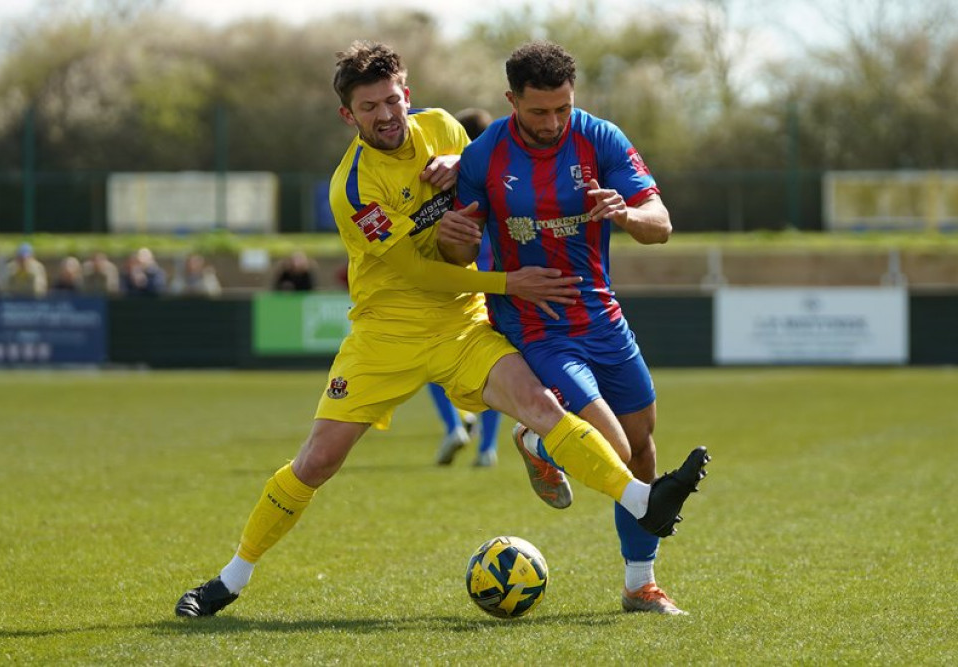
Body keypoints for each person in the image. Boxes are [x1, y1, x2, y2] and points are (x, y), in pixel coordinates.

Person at [174, 41, 708, 618]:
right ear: (347, 115)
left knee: (541, 407)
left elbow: (477, 195)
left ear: (407, 93)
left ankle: (635, 501)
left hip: (462, 325)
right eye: (369, 106)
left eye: (392, 99)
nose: (385, 114)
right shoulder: (352, 187)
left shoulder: (447, 131)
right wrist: (506, 282)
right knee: (317, 462)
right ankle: (231, 578)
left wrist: (463, 175)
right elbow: (416, 272)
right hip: (387, 333)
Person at [438, 41, 697, 615]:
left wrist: (627, 214)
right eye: (538, 112)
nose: (553, 123)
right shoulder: (483, 158)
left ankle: (640, 585)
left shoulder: (600, 138)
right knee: (613, 443)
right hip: (536, 325)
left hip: (602, 317)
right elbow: (455, 256)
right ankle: (541, 434)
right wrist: (451, 242)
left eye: (562, 108)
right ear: (511, 101)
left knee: (643, 452)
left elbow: (662, 226)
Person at [431, 107, 501, 468]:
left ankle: (454, 424)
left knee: (431, 362)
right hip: (497, 282)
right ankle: (488, 448)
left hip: (456, 282)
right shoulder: (500, 176)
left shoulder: (446, 177)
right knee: (497, 367)